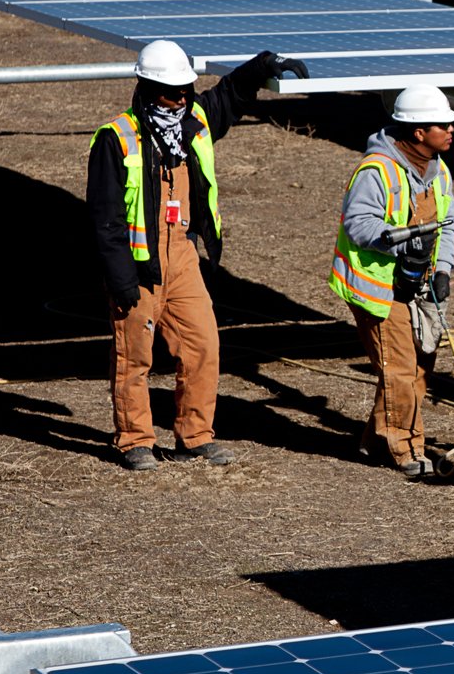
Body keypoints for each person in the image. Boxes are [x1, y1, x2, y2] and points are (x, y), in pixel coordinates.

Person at [87, 40, 302, 472]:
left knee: (203, 345)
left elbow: (229, 94)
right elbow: (105, 220)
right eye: (172, 92)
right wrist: (121, 279)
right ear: (147, 88)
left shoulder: (194, 120)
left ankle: (195, 436)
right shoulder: (116, 139)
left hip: (183, 257)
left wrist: (263, 65)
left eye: (186, 88)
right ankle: (134, 440)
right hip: (139, 263)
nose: (182, 98)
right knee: (135, 356)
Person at [329, 85, 454, 479]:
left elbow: (447, 225)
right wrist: (401, 247)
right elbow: (359, 225)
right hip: (379, 289)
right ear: (417, 132)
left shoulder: (438, 171)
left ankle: (373, 440)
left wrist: (442, 271)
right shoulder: (377, 171)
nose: (452, 130)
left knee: (421, 366)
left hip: (418, 288)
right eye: (443, 125)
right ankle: (405, 449)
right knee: (399, 368)